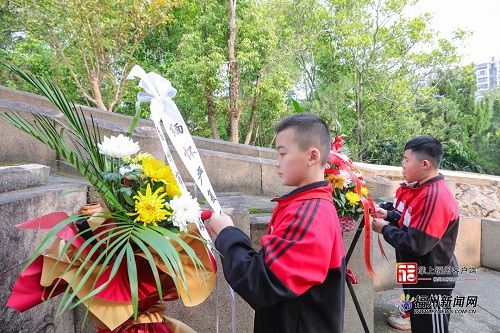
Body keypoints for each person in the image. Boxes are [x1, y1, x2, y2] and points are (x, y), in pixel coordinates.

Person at [209, 113, 346, 333]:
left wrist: (226, 232)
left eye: (282, 154)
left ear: (312, 157)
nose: (276, 162)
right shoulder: (305, 205)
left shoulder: (310, 215)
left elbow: (261, 282)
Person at [372, 135, 460, 333]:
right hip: (414, 271)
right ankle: (406, 313)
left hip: (431, 281)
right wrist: (387, 215)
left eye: (406, 159)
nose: (402, 164)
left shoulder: (434, 196)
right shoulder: (421, 189)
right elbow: (407, 219)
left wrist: (384, 228)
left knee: (431, 328)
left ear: (425, 164)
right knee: (416, 318)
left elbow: (416, 244)